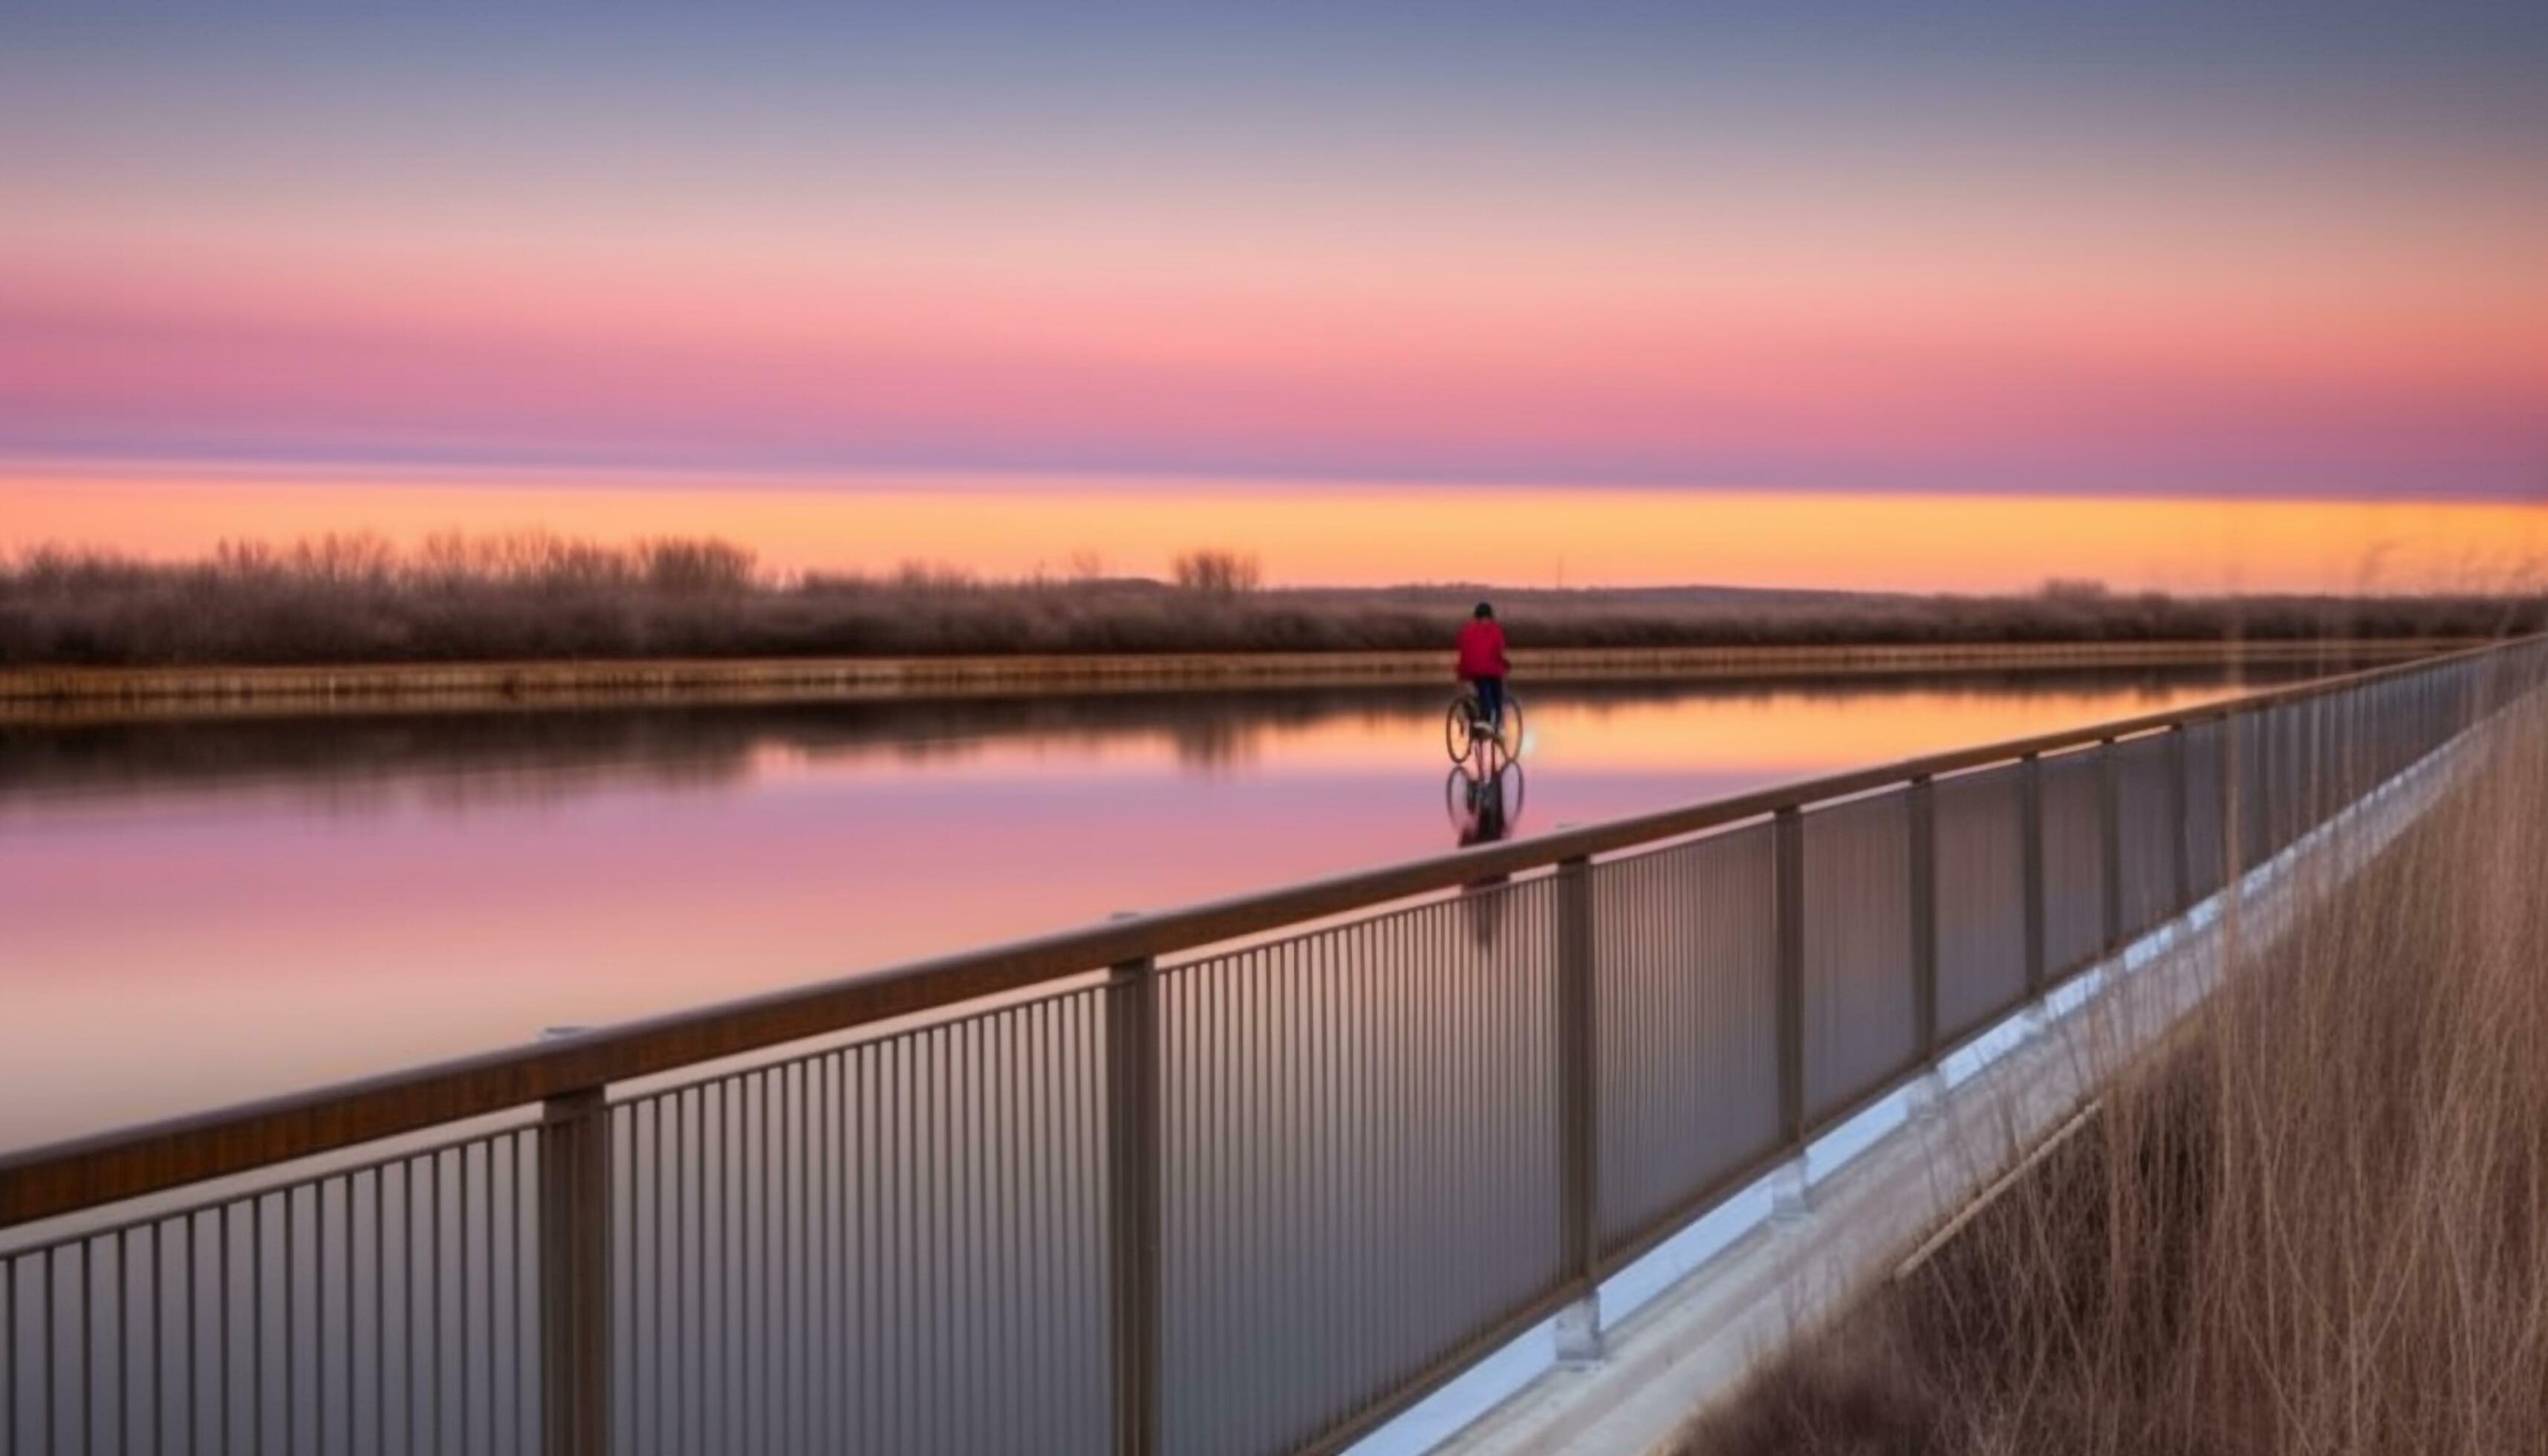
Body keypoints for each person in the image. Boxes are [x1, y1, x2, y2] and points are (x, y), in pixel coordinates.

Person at [1456, 601, 1509, 735]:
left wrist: (1462, 670)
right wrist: (1505, 663)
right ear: (1491, 616)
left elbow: (1463, 650)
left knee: (1481, 690)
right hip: (1490, 671)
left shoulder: (1467, 630)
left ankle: (1476, 719)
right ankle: (1495, 726)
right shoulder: (1495, 630)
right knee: (1497, 695)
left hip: (1468, 670)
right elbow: (1499, 651)